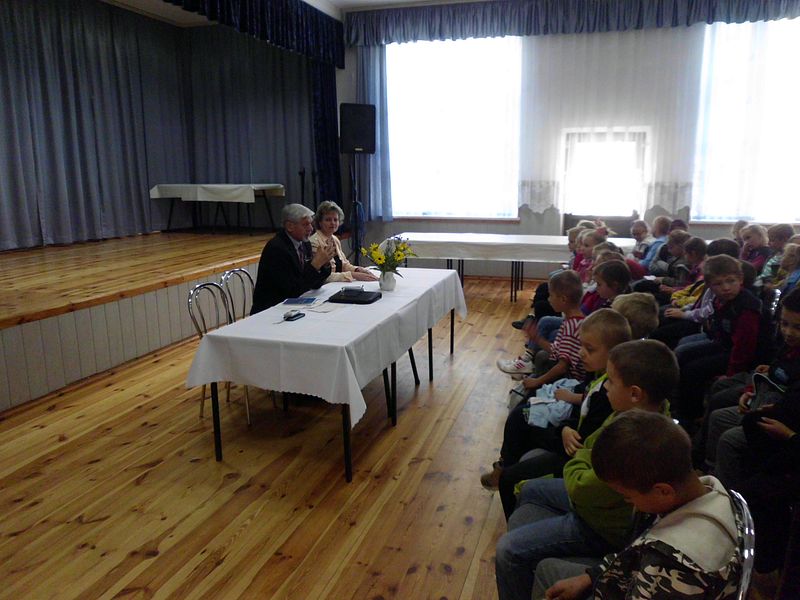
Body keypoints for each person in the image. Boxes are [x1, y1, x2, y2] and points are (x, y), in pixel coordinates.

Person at [494, 339, 678, 600]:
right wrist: (582, 457)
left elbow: (580, 486)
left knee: (507, 550)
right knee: (529, 489)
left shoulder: (638, 445)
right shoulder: (626, 414)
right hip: (591, 500)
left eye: (611, 381)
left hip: (599, 525)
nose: (605, 386)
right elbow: (589, 448)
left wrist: (579, 459)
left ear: (635, 394)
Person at [537, 411, 741, 600]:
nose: (627, 501)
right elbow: (635, 553)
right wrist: (591, 576)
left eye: (627, 496)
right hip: (629, 576)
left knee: (544, 570)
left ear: (663, 491)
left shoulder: (670, 562)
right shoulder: (714, 492)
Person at [484, 310, 632, 519]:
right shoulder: (598, 374)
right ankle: (507, 465)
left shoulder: (609, 394)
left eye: (589, 349)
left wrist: (564, 428)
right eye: (581, 346)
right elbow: (583, 409)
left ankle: (505, 473)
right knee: (522, 415)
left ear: (614, 353)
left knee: (511, 467)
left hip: (569, 453)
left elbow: (581, 441)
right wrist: (565, 427)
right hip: (568, 435)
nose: (581, 353)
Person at [674, 255, 761, 421]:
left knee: (694, 370)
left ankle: (692, 416)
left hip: (746, 357)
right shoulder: (720, 300)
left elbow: (744, 347)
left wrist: (731, 374)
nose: (726, 288)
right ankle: (680, 405)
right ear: (709, 285)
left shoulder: (747, 307)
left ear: (740, 279)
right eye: (718, 284)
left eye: (731, 281)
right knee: (683, 355)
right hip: (725, 345)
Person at [498, 270, 586, 378]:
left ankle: (528, 375)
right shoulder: (573, 320)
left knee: (541, 359)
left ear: (563, 299)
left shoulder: (571, 326)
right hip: (567, 372)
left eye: (551, 296)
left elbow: (563, 366)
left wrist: (537, 382)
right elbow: (557, 350)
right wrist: (536, 338)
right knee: (541, 355)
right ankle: (526, 368)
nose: (549, 299)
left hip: (570, 378)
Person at [251, 203, 334, 314]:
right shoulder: (277, 249)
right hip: (270, 311)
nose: (310, 228)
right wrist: (315, 265)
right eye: (305, 224)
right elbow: (293, 290)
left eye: (311, 224)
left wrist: (324, 264)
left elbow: (314, 284)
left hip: (292, 306)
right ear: (290, 226)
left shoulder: (305, 244)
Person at [309, 201, 378, 283]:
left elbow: (344, 265)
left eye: (335, 220)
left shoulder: (335, 239)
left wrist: (357, 269)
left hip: (337, 284)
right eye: (328, 220)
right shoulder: (314, 242)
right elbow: (322, 276)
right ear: (320, 222)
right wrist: (353, 275)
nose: (333, 223)